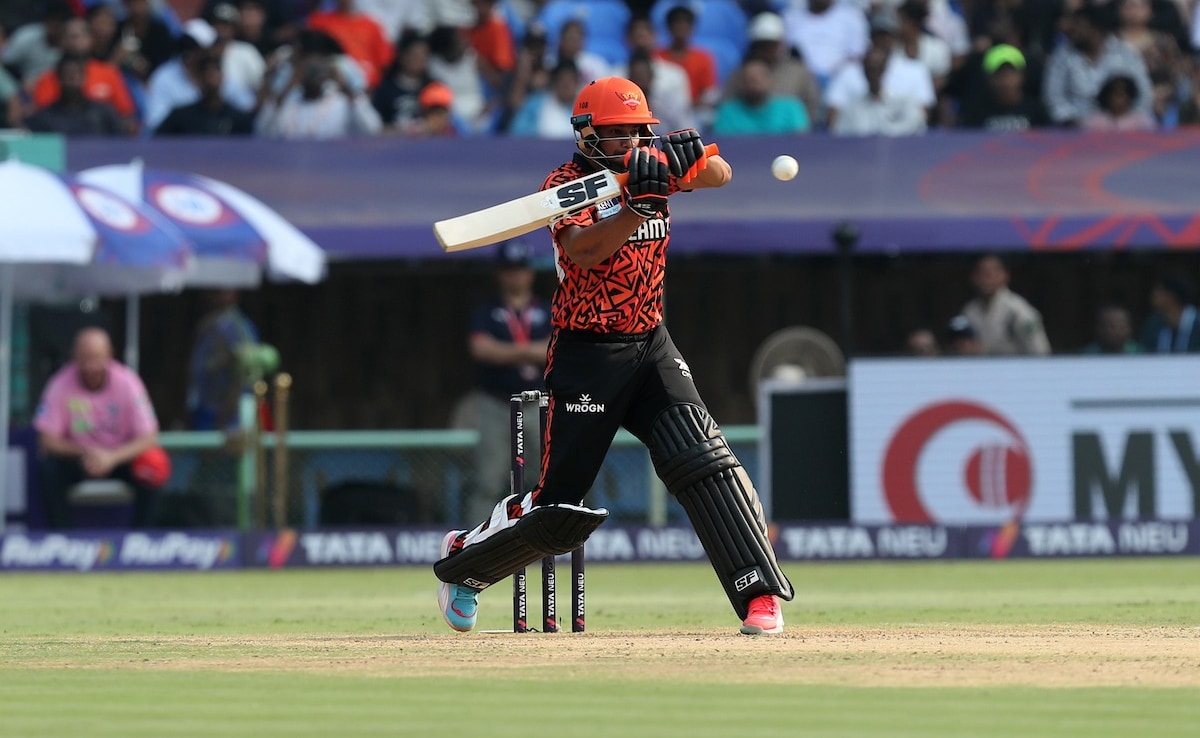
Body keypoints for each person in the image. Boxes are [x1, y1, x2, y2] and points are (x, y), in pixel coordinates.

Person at [434, 76, 794, 636]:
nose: (630, 141)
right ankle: (464, 561)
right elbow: (584, 252)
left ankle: (759, 593)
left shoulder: (650, 161)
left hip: (651, 344)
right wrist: (636, 206)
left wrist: (684, 160)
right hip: (587, 356)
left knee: (702, 459)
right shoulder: (564, 183)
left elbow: (720, 175)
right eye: (617, 133)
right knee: (558, 510)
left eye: (637, 131)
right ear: (587, 135)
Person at [34, 327, 162, 529]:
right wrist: (86, 452)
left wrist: (112, 457)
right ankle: (61, 537)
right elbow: (46, 439)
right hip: (78, 458)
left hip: (119, 458)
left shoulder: (128, 382)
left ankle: (141, 537)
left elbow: (149, 437)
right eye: (84, 357)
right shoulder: (59, 384)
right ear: (74, 356)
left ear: (109, 355)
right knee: (48, 467)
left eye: (96, 357)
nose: (90, 365)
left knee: (154, 462)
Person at [463, 239, 552, 523]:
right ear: (500, 273)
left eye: (521, 269)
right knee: (488, 480)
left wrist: (506, 351)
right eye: (509, 270)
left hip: (538, 404)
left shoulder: (547, 309)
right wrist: (529, 351)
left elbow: (557, 348)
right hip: (497, 404)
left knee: (545, 479)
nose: (516, 276)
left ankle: (544, 537)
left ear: (531, 272)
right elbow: (481, 349)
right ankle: (477, 541)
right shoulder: (488, 311)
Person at [961, 253, 1051, 355]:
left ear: (1005, 275)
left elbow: (1040, 351)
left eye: (993, 272)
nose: (987, 277)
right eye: (981, 272)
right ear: (973, 277)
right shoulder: (969, 311)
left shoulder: (1019, 311)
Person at [1138, 272, 1200, 353]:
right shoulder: (1153, 325)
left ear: (1172, 295)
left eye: (1159, 290)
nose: (1154, 294)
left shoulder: (1197, 324)